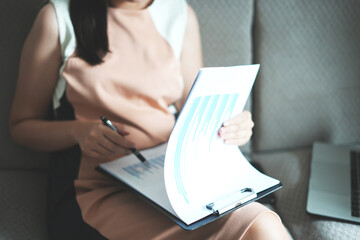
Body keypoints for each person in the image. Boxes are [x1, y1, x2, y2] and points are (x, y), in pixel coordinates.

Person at [9, 0, 291, 239]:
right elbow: (21, 126)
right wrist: (78, 132)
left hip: (174, 179)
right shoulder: (57, 18)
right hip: (97, 189)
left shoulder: (179, 14)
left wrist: (233, 126)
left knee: (261, 223)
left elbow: (196, 108)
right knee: (258, 226)